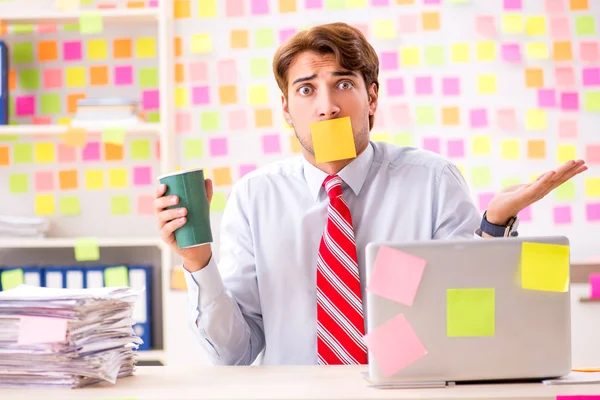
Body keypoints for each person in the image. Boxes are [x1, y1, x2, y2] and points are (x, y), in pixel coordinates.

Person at [154, 22, 587, 366]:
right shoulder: (255, 196)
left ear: (372, 98)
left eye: (343, 84)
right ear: (287, 109)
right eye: (306, 89)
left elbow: (469, 314)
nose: (327, 106)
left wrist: (492, 225)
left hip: (413, 391)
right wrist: (198, 263)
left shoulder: (432, 180)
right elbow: (233, 354)